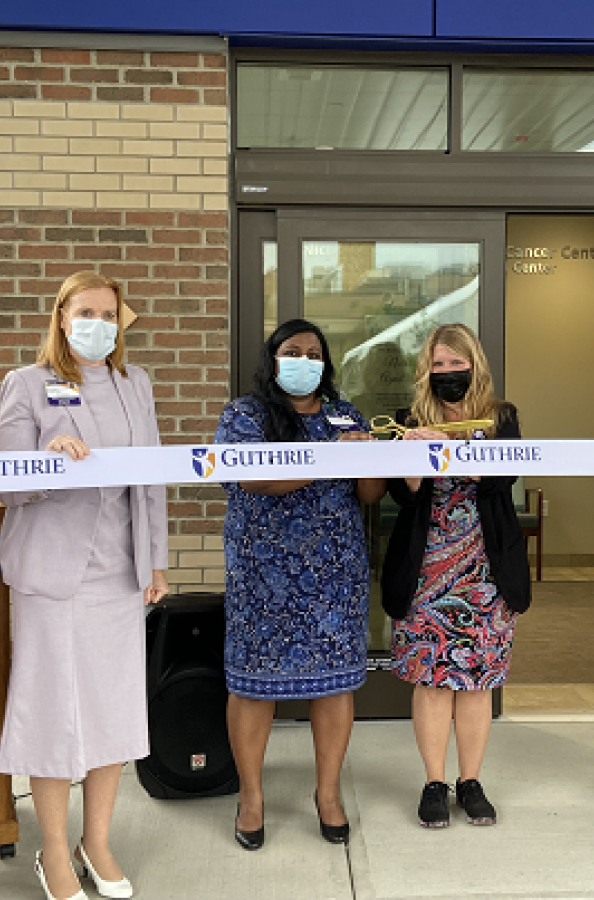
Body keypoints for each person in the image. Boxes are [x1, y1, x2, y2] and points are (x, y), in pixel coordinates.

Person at [0, 270, 169, 900]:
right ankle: (52, 850)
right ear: (62, 316)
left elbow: (149, 476)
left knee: (111, 709)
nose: (99, 322)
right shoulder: (27, 383)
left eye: (109, 313)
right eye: (86, 310)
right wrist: (47, 454)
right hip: (51, 576)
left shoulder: (135, 383)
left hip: (117, 575)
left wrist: (155, 562)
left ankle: (95, 840)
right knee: (52, 714)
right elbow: (8, 484)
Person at [215, 319, 386, 851]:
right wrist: (331, 456)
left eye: (315, 354)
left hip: (335, 575)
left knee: (335, 683)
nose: (305, 361)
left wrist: (367, 452)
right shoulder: (246, 415)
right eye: (293, 351)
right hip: (262, 574)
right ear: (273, 360)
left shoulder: (345, 415)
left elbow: (369, 494)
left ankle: (328, 795)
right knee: (250, 684)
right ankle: (251, 798)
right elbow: (253, 478)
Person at [381, 324, 531, 828]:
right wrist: (416, 461)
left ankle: (470, 780)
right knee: (431, 681)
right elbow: (402, 497)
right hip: (427, 570)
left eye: (456, 364)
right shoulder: (409, 420)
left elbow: (502, 481)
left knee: (476, 680)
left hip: (485, 570)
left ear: (475, 365)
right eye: (438, 365)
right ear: (427, 370)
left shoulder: (502, 417)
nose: (448, 374)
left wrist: (464, 450)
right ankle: (433, 781)